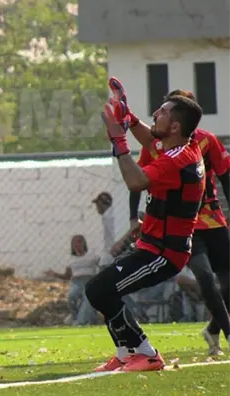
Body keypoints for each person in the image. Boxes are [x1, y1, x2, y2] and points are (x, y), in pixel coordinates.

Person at [86, 94, 205, 372]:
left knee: (100, 289)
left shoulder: (176, 160)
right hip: (153, 248)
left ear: (174, 127)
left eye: (162, 112)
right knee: (102, 291)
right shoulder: (180, 149)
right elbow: (152, 141)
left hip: (163, 254)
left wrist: (119, 141)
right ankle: (127, 353)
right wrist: (128, 117)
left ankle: (147, 353)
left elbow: (136, 181)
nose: (155, 114)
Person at [117, 82, 230, 356]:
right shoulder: (156, 144)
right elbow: (139, 180)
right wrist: (133, 217)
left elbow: (226, 176)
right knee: (204, 276)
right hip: (185, 225)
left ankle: (213, 328)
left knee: (227, 281)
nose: (159, 114)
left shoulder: (204, 141)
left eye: (166, 110)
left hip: (213, 219)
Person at [45, 234, 99, 326]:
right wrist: (55, 274)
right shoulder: (70, 259)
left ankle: (81, 322)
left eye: (79, 241)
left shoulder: (92, 255)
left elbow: (101, 266)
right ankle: (77, 317)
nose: (77, 244)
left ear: (84, 243)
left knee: (87, 299)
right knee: (72, 298)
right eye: (74, 243)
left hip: (90, 281)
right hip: (77, 282)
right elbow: (67, 276)